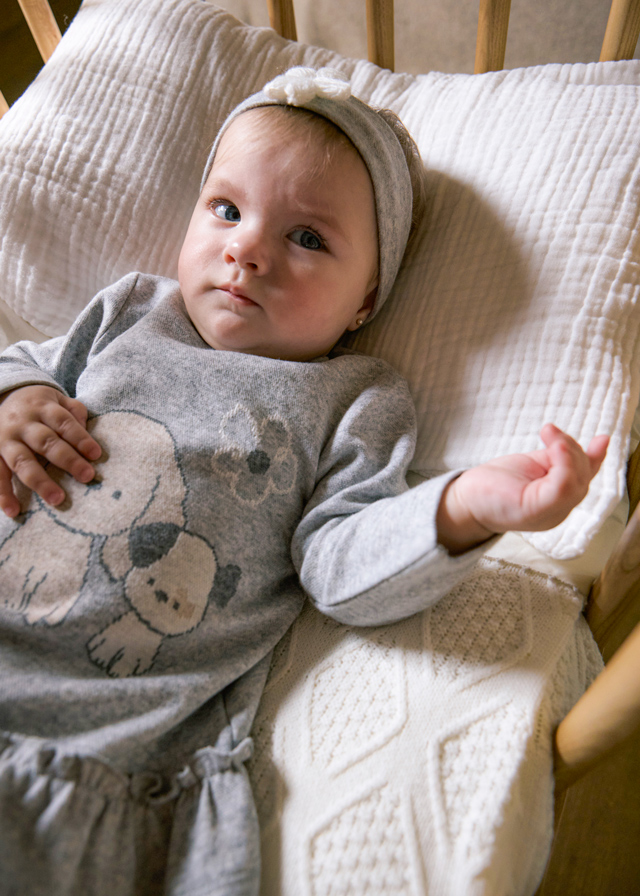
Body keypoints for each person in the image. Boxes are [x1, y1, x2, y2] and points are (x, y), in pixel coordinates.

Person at [0, 67, 607, 896]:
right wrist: (19, 398)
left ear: (365, 301)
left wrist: (461, 506)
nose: (246, 249)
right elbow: (26, 360)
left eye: (308, 239)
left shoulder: (353, 398)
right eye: (226, 210)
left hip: (110, 727)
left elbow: (341, 562)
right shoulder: (132, 310)